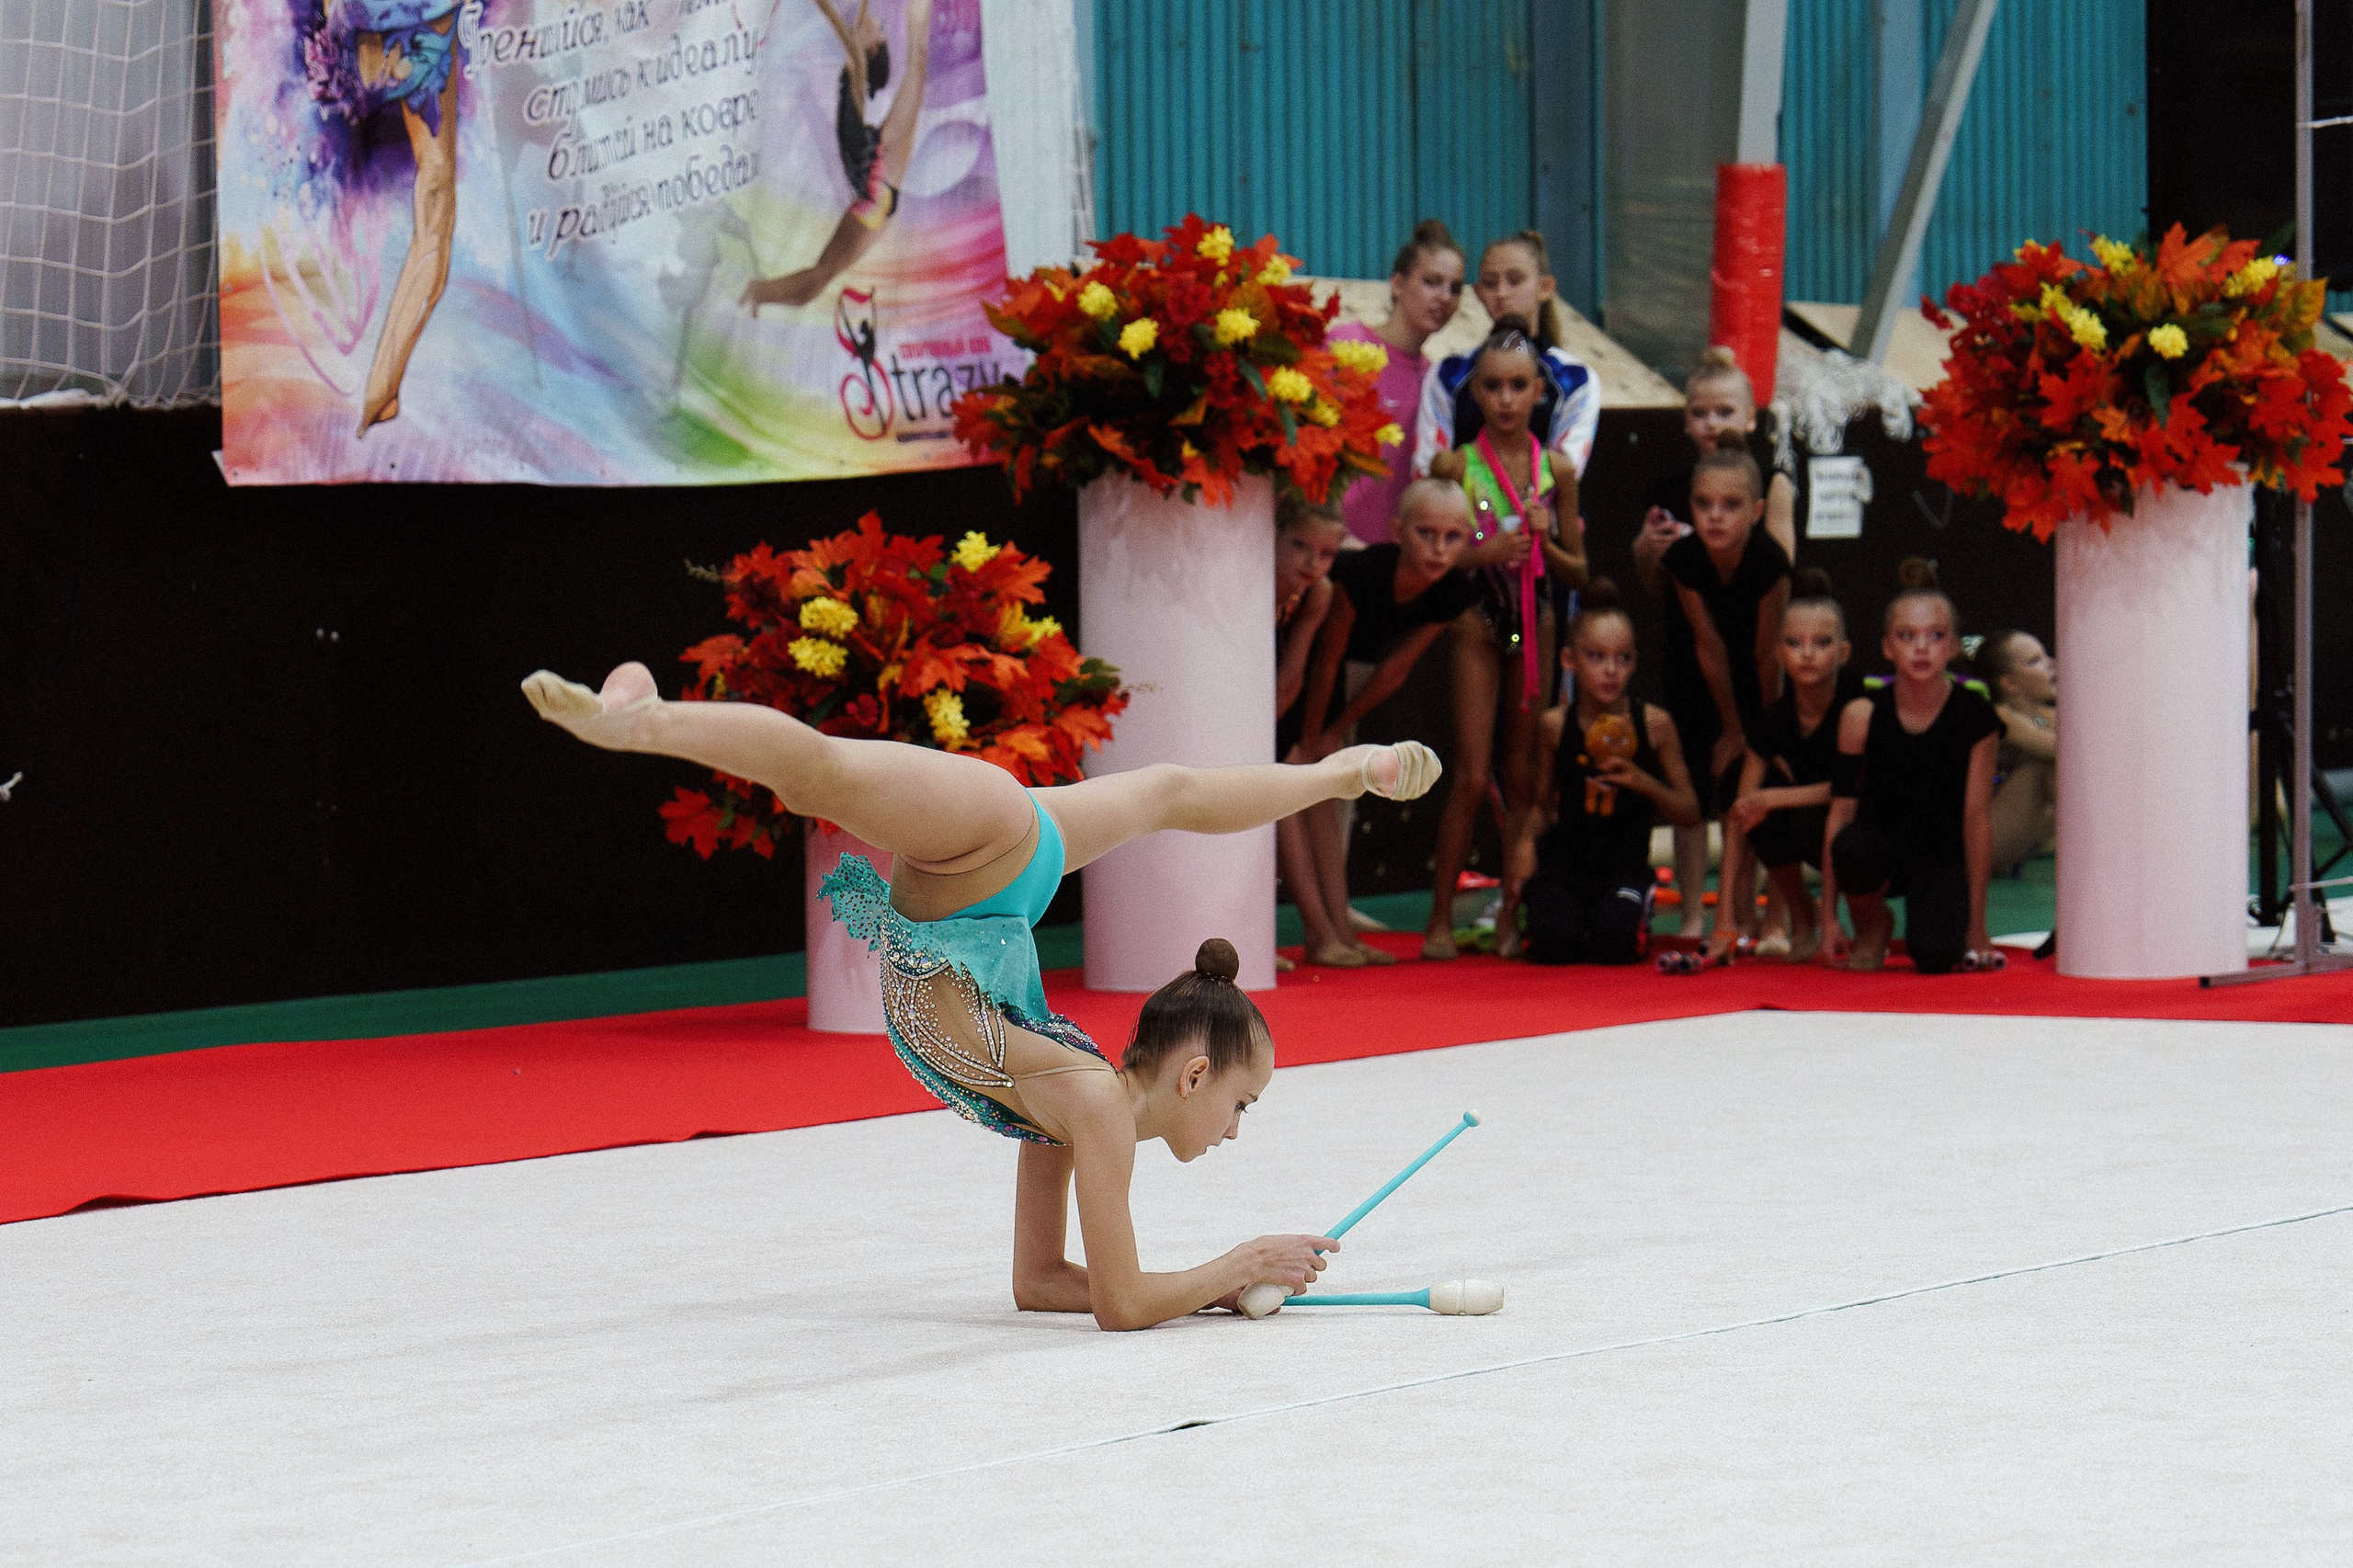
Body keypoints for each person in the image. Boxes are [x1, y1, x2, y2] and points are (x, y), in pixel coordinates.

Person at [520, 661, 1442, 1329]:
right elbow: (1123, 1306)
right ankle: (645, 721)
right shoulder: (1092, 1102)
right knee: (825, 776)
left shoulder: (1073, 1095)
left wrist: (1211, 1286)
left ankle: (1349, 772)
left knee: (1167, 790)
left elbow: (1041, 1283)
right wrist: (1234, 1263)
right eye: (1244, 1101)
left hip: (995, 883)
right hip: (990, 853)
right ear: (1194, 1072)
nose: (1237, 1128)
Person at [1423, 321, 1590, 960]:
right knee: (1470, 776)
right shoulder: (1455, 466)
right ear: (1476, 393)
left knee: (1523, 776)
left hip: (1536, 620)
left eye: (1518, 386)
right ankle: (1439, 919)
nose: (1505, 399)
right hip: (1476, 620)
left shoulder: (1558, 470)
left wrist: (1547, 540)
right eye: (1492, 386)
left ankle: (1511, 918)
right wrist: (1482, 553)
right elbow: (1434, 562)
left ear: (1539, 392)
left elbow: (1578, 571)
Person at [1285, 480, 1479, 967]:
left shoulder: (1453, 590)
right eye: (1425, 534)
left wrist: (1336, 730)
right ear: (1396, 531)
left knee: (1328, 795)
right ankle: (1320, 930)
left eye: (1453, 537)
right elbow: (1327, 659)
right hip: (1306, 671)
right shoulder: (1363, 571)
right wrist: (1314, 736)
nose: (1438, 550)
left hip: (1344, 681)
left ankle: (1340, 931)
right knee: (1301, 788)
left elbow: (1396, 668)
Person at [1819, 561, 2005, 974]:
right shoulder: (1861, 715)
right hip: (1880, 847)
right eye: (1907, 636)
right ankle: (1872, 924)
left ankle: (1941, 920)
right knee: (1852, 847)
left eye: (1935, 636)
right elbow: (1841, 813)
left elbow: (1976, 819)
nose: (1921, 648)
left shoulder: (1974, 716)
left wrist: (1978, 925)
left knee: (1936, 955)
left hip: (1941, 856)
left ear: (1953, 646)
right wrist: (1829, 918)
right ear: (1887, 647)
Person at [1636, 445, 1791, 941]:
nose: (1715, 517)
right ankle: (1704, 915)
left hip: (1761, 680)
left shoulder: (1770, 562)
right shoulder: (1684, 559)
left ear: (1757, 511)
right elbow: (1709, 646)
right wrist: (1731, 729)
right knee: (1706, 785)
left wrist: (1761, 734)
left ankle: (1767, 917)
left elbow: (1767, 654)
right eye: (1703, 505)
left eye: (1730, 505)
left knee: (1760, 786)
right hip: (1697, 676)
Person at [1504, 579, 1700, 964]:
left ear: (1634, 661)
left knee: (1614, 944)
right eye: (1596, 657)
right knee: (1553, 943)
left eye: (1622, 658)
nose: (1611, 670)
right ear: (1569, 660)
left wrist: (1643, 782)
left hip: (1624, 866)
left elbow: (1690, 811)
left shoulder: (1654, 724)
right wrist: (1524, 850)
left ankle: (1630, 908)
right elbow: (1542, 807)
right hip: (1567, 864)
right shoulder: (1555, 725)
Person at [312, 0, 460, 435]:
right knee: (435, 204)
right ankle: (379, 393)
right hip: (383, 32)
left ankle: (380, 393)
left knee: (435, 201)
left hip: (377, 34)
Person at [1705, 569, 1857, 965]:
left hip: (1864, 822)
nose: (1807, 654)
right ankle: (1801, 914)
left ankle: (1863, 920)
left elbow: (1855, 789)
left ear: (1843, 653)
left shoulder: (1858, 706)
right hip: (1810, 819)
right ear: (1778, 653)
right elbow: (1741, 812)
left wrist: (1773, 798)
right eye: (1794, 643)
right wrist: (1723, 919)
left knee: (1811, 823)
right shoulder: (1773, 719)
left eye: (1821, 643)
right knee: (1738, 785)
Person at [742, 0, 933, 313]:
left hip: (875, 185)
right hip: (872, 191)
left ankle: (755, 293)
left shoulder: (857, 65)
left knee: (917, 61)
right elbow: (840, 22)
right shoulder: (855, 68)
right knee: (816, 280)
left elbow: (912, 54)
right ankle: (755, 293)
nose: (874, 21)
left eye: (879, 28)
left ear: (873, 46)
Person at [1413, 231, 1601, 484]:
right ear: (1478, 293)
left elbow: (1564, 475)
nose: (1501, 293)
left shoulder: (1576, 379)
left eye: (1515, 280)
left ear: (1545, 288)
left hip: (1537, 510)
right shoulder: (1449, 373)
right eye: (1490, 283)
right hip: (1457, 510)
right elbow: (1427, 472)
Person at [1328, 222, 1466, 548]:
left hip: (1395, 556)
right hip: (1329, 547)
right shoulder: (1345, 346)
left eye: (1455, 288)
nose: (1444, 297)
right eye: (1431, 282)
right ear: (1397, 283)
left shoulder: (1437, 380)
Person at [1272, 495, 1348, 971]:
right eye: (1300, 546)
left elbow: (1292, 677)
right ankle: (1317, 931)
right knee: (1274, 796)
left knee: (1292, 783)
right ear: (1273, 536)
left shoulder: (1317, 593)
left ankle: (1328, 931)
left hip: (1275, 706)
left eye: (1326, 554)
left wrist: (1263, 740)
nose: (1312, 564)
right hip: (1229, 704)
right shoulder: (1252, 582)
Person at [1972, 630, 2058, 873]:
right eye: (2035, 661)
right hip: (1976, 846)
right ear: (2009, 684)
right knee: (2045, 766)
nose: (2051, 663)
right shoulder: (2001, 717)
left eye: (2046, 655)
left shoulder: (2042, 717)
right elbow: (2064, 751)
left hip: (2019, 835)